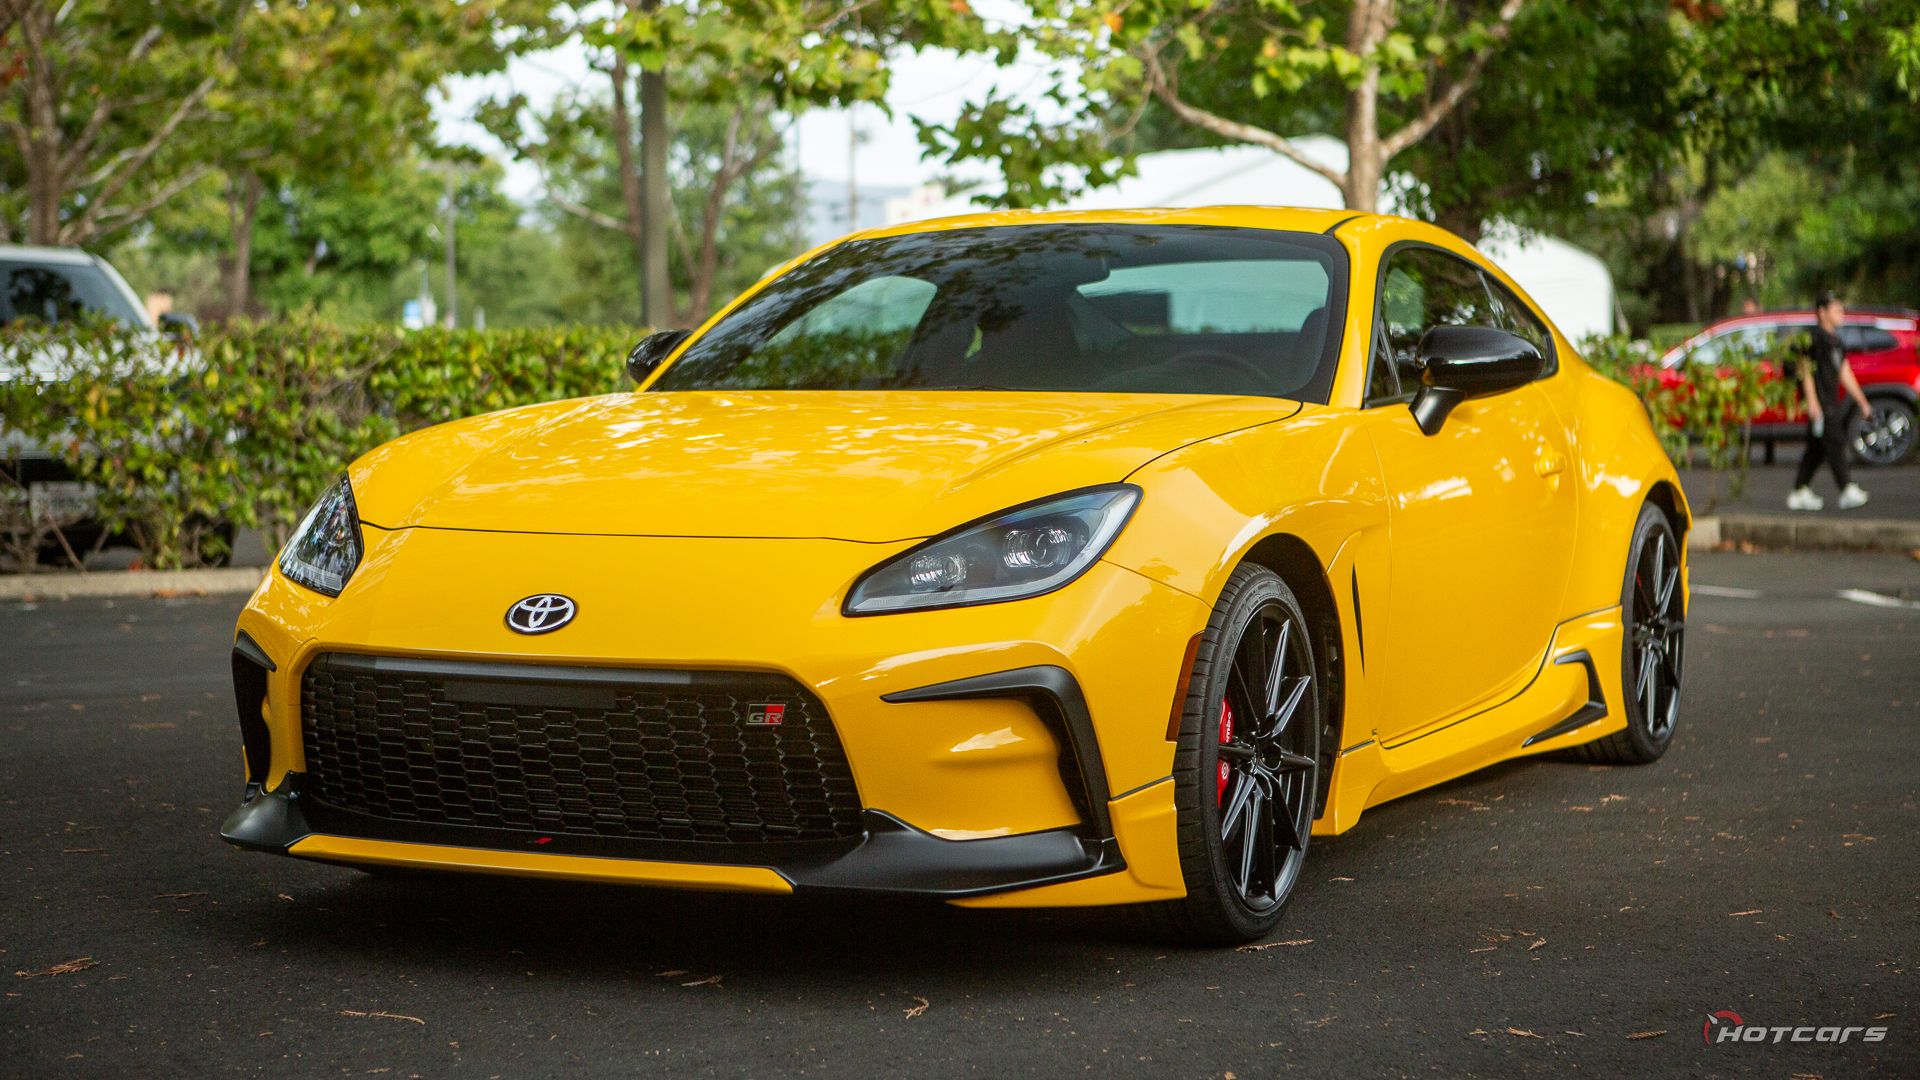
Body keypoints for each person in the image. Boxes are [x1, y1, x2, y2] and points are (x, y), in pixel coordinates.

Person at [1786, 292, 1874, 511]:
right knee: (1835, 442)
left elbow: (1844, 372)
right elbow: (1804, 369)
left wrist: (1862, 401)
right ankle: (1846, 489)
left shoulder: (1836, 342)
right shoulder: (1813, 339)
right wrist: (1813, 401)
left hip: (1831, 401)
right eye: (1836, 310)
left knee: (1817, 448)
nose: (1841, 314)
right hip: (1821, 403)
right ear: (1821, 312)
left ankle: (1799, 490)